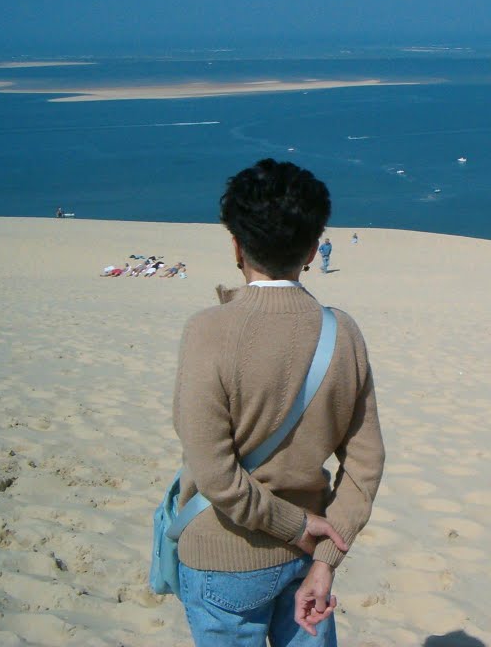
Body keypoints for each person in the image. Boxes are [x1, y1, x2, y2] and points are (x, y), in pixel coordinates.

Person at [172, 159, 384, 646]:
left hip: (226, 559)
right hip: (309, 562)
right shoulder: (343, 332)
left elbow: (214, 474)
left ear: (236, 245)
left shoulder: (207, 330)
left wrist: (298, 529)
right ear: (313, 248)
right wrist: (325, 556)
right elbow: (365, 465)